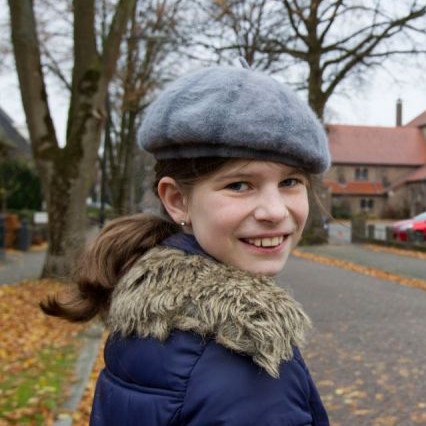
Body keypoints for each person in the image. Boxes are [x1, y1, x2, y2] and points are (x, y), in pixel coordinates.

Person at [42, 66, 331, 425]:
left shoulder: (146, 308)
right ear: (177, 199)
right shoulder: (248, 360)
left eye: (290, 181)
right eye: (240, 185)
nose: (275, 211)